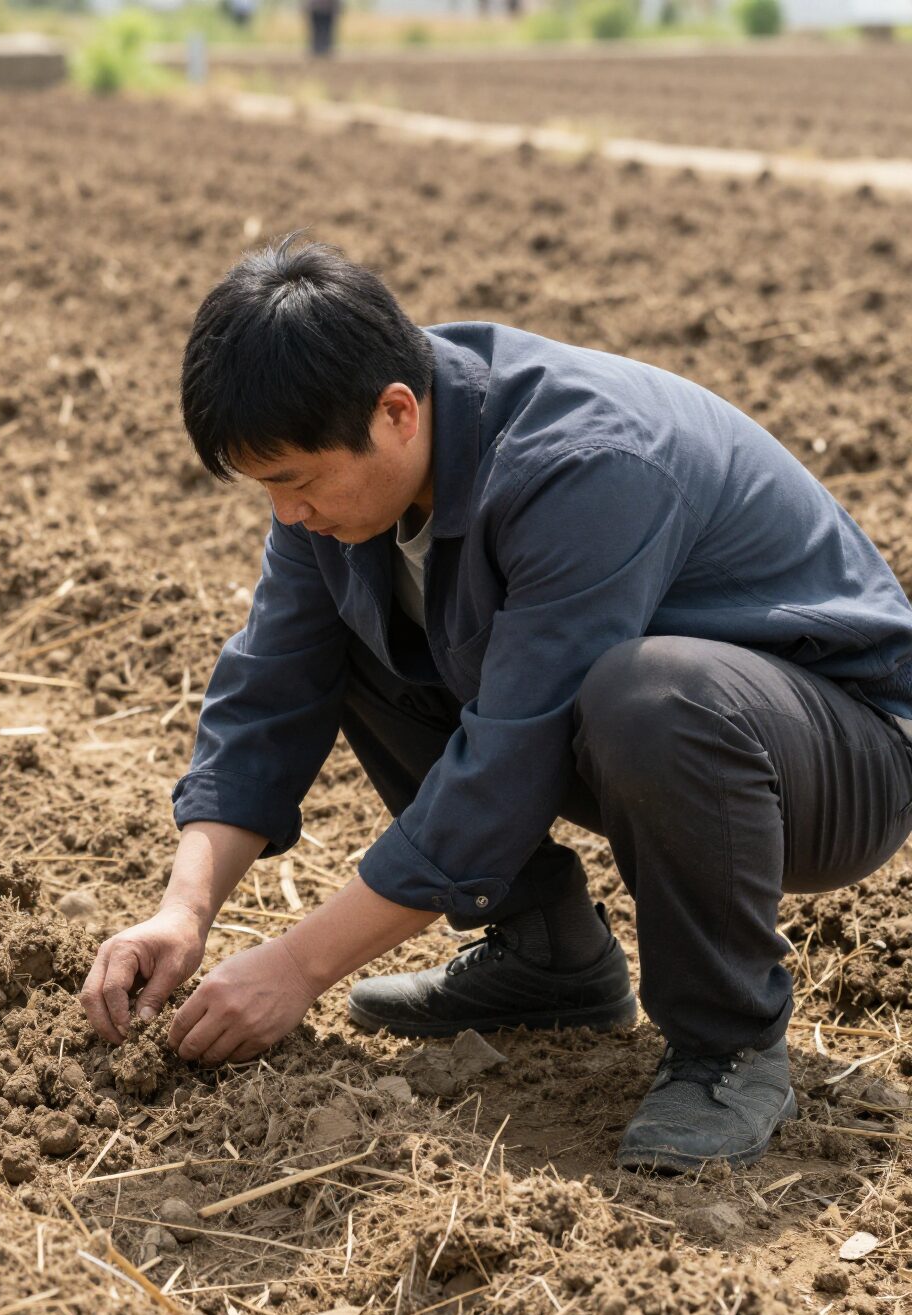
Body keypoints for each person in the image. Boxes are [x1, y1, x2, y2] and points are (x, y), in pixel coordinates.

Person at [80, 238, 912, 1174]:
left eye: (296, 480)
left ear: (397, 413)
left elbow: (511, 759)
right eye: (266, 486)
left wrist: (298, 966)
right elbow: (272, 684)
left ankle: (730, 1044)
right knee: (371, 640)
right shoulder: (357, 449)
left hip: (836, 754)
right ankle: (549, 957)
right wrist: (184, 913)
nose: (285, 513)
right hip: (656, 731)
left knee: (648, 692)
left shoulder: (583, 464)